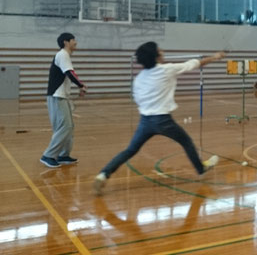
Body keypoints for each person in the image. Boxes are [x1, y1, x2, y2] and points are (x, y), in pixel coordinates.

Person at [93, 42, 224, 194]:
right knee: (186, 141)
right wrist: (215, 57)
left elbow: (137, 99)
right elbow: (194, 64)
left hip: (145, 121)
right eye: (160, 50)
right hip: (163, 120)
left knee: (130, 150)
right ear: (155, 56)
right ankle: (200, 168)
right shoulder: (166, 70)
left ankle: (104, 174)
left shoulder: (139, 79)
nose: (163, 51)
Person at [40, 33, 87, 168]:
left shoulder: (64, 56)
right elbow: (70, 73)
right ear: (66, 42)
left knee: (69, 127)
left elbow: (68, 74)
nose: (75, 42)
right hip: (57, 96)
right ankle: (48, 155)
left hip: (62, 97)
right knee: (64, 127)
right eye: (73, 40)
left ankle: (63, 155)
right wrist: (81, 85)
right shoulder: (62, 54)